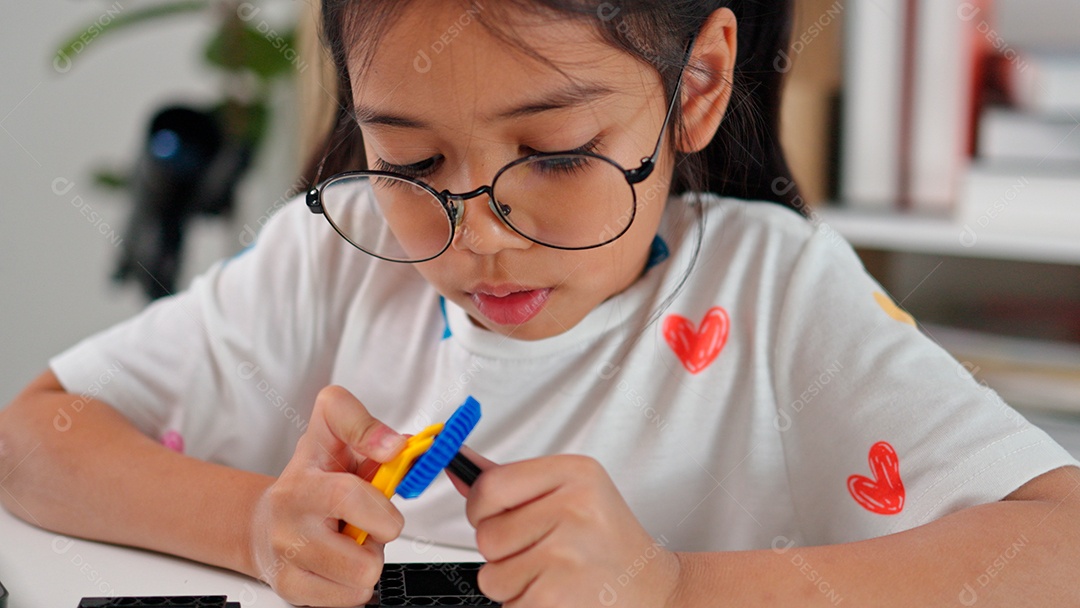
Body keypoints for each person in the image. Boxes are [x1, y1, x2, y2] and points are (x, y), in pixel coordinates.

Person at [2, 1, 1078, 606]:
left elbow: (1060, 544)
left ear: (695, 87)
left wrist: (670, 586)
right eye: (412, 159)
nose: (483, 239)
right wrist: (250, 525)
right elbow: (32, 438)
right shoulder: (338, 256)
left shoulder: (778, 293)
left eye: (558, 154)